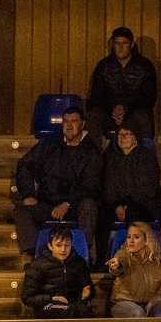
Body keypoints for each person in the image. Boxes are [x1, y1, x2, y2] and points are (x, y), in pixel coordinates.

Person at [13, 106, 101, 256]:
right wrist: (28, 194)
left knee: (89, 205)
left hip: (75, 207)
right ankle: (37, 256)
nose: (69, 125)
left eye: (74, 121)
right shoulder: (50, 144)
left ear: (82, 124)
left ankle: (82, 255)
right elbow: (25, 165)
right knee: (21, 211)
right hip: (48, 204)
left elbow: (91, 185)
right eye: (65, 121)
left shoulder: (92, 151)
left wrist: (67, 203)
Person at [21, 227, 94, 322]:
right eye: (59, 245)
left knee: (85, 311)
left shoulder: (77, 262)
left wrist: (88, 291)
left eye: (67, 245)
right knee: (70, 310)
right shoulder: (38, 265)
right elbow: (27, 297)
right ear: (50, 246)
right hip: (46, 306)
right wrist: (52, 298)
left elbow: (88, 288)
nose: (63, 249)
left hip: (71, 304)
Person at [99, 127, 161, 263]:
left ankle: (135, 259)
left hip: (145, 204)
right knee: (102, 214)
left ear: (136, 138)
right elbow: (107, 186)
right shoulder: (111, 158)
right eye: (120, 135)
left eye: (127, 134)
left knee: (135, 214)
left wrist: (127, 205)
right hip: (117, 204)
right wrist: (117, 205)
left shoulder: (147, 157)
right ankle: (102, 260)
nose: (123, 137)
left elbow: (149, 188)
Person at [85, 27, 157, 148]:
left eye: (125, 43)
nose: (120, 47)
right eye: (117, 43)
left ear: (132, 44)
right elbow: (96, 96)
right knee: (93, 116)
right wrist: (113, 108)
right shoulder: (104, 65)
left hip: (134, 113)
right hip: (109, 114)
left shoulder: (145, 65)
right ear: (113, 44)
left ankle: (146, 159)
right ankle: (94, 161)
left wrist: (126, 108)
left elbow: (149, 98)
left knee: (143, 116)